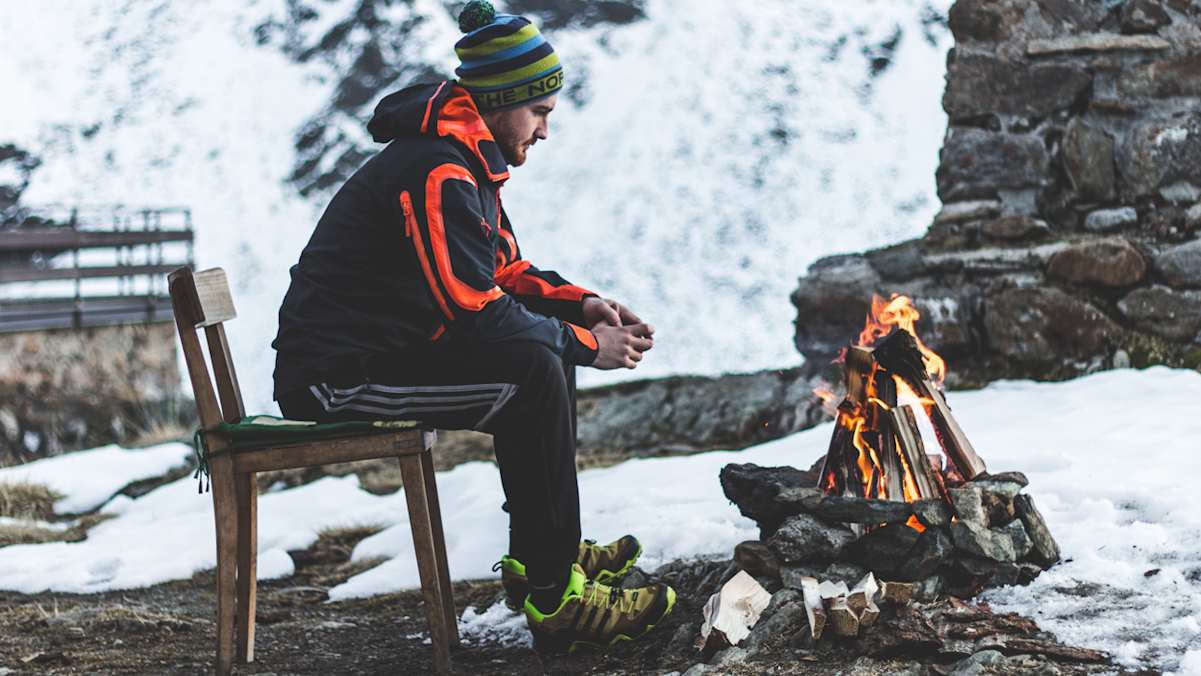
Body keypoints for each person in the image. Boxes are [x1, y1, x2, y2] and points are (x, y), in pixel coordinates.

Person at [270, 0, 675, 652]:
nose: (544, 130)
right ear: (500, 101)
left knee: (536, 361)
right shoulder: (437, 169)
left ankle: (550, 560)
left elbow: (503, 271)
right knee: (537, 369)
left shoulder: (466, 162)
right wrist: (584, 347)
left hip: (383, 357)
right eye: (539, 111)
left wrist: (582, 306)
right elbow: (473, 305)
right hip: (335, 379)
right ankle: (554, 594)